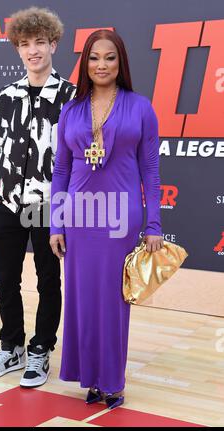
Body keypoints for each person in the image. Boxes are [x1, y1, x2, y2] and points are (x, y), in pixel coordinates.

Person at [50, 29, 163, 409]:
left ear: (121, 63)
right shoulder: (71, 109)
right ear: (85, 63)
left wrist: (154, 224)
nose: (102, 64)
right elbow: (61, 172)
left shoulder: (140, 107)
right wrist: (56, 223)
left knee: (114, 302)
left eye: (110, 57)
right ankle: (91, 379)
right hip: (80, 218)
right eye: (94, 57)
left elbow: (150, 170)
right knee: (81, 299)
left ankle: (112, 381)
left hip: (121, 218)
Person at [0, 7, 75, 388]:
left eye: (39, 42)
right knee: (5, 278)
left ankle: (40, 350)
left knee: (48, 280)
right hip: (8, 202)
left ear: (53, 44)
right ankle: (12, 345)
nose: (33, 50)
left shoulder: (70, 97)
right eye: (25, 44)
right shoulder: (5, 95)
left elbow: (78, 154)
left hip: (48, 206)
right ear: (17, 49)